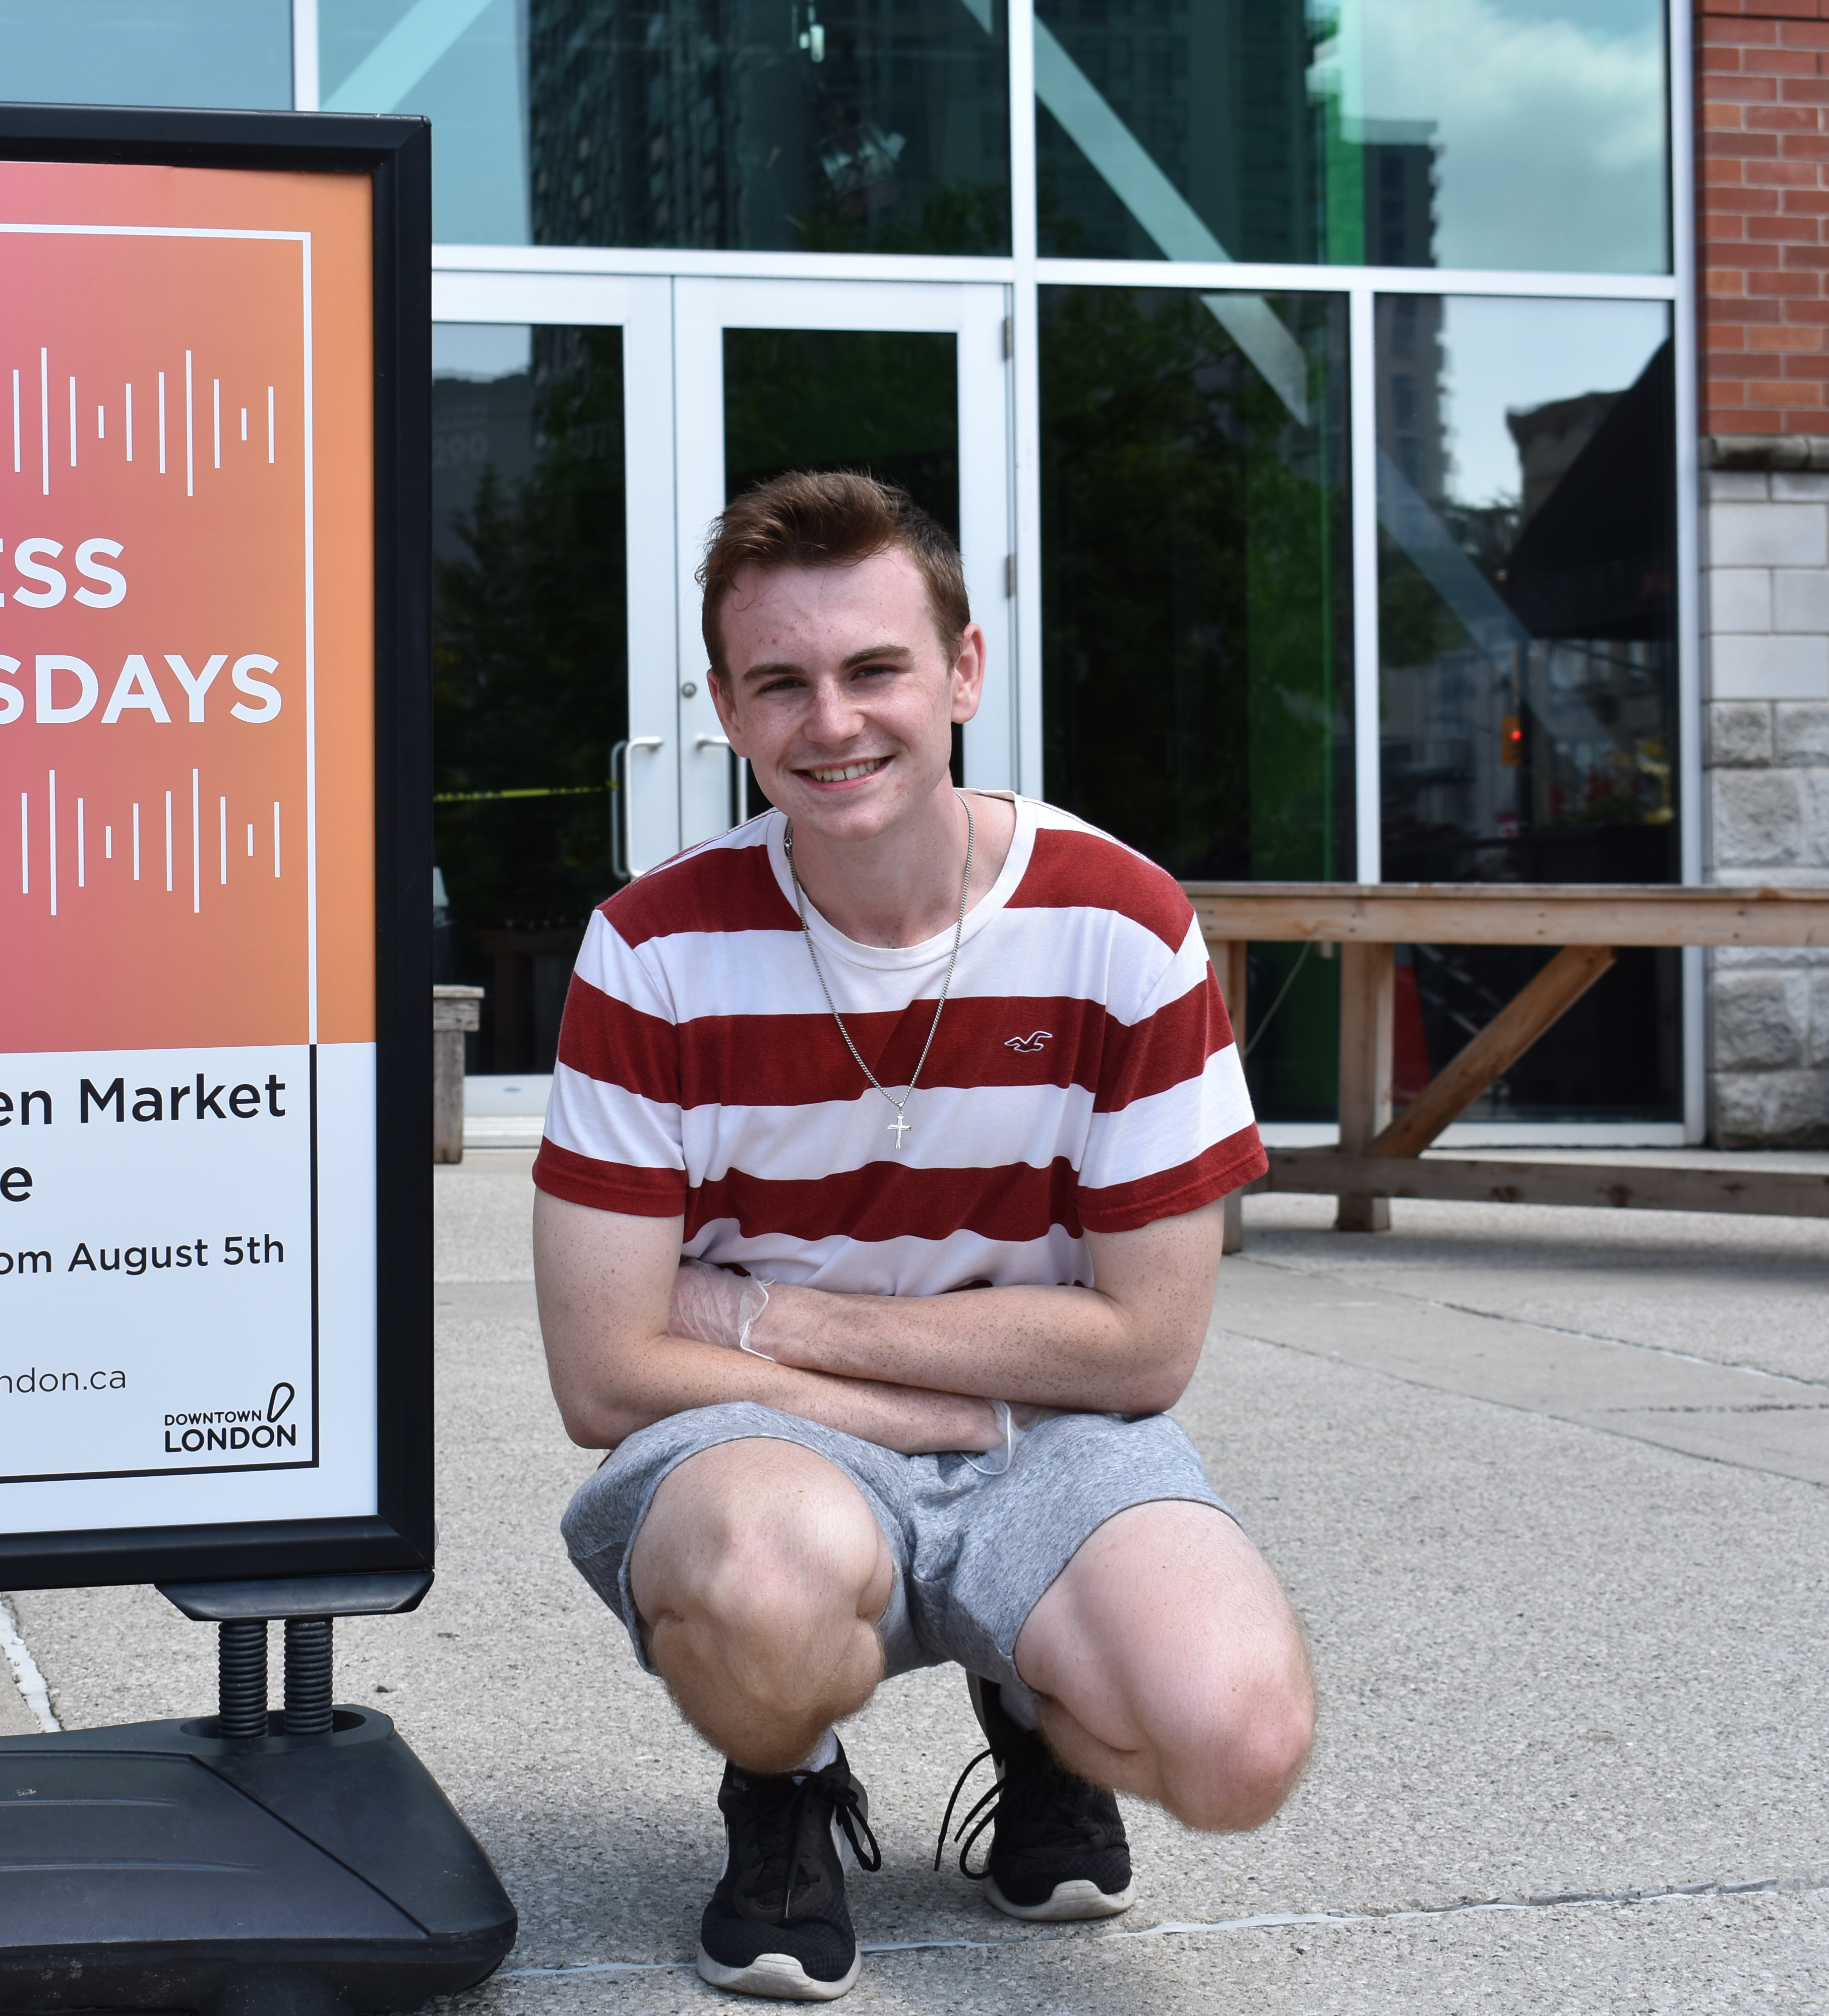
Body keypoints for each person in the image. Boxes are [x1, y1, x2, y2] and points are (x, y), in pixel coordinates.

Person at [531, 471, 1316, 2002]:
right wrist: (901, 1412)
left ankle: (1033, 1707)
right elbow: (607, 1377)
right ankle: (785, 1780)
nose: (833, 722)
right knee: (767, 1591)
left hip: (1050, 1438)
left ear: (961, 671)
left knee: (1239, 1745)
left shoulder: (1121, 926)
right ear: (728, 711)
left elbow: (1149, 1348)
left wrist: (762, 1316)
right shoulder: (653, 948)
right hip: (758, 1446)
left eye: (875, 668)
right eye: (782, 683)